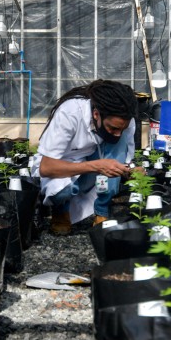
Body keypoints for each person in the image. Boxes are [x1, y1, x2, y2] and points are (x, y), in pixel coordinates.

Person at [31, 80, 138, 235]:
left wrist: (131, 170)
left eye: (123, 129)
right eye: (113, 128)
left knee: (113, 162)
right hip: (61, 163)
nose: (118, 133)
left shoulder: (123, 119)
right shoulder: (70, 113)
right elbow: (46, 167)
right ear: (96, 114)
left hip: (91, 158)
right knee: (62, 191)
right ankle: (61, 211)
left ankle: (102, 210)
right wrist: (97, 166)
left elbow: (123, 157)